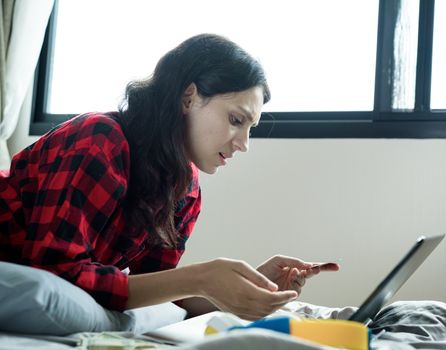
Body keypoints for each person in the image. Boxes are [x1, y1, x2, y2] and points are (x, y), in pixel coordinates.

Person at [0, 33, 338, 321]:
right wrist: (201, 276)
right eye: (236, 120)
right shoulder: (99, 140)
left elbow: (158, 289)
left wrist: (251, 284)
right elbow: (55, 271)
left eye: (250, 129)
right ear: (188, 97)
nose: (243, 144)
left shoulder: (186, 190)